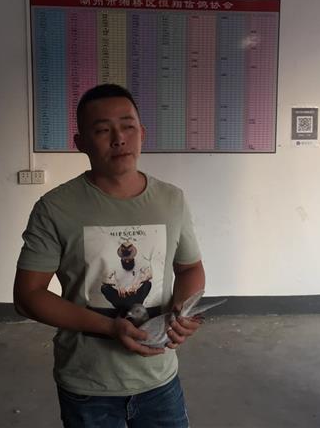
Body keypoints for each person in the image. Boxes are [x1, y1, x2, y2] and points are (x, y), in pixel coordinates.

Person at [14, 83, 206, 427]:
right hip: (89, 386)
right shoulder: (55, 208)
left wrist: (180, 310)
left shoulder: (171, 200)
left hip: (159, 379)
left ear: (142, 133)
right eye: (102, 130)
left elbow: (190, 268)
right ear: (81, 143)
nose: (119, 139)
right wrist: (108, 327)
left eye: (127, 126)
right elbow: (28, 296)